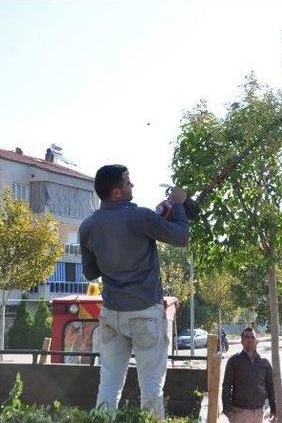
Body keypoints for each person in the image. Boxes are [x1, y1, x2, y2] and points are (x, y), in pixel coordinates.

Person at [79, 164, 189, 418]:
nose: (132, 186)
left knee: (108, 387)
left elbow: (90, 273)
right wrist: (179, 205)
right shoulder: (141, 217)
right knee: (151, 388)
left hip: (112, 314)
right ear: (116, 192)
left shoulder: (87, 227)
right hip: (145, 314)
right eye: (128, 183)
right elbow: (181, 237)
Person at [222, 327, 276, 422]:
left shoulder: (264, 362)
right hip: (239, 412)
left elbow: (270, 386)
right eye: (246, 337)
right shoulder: (234, 361)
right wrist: (227, 408)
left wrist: (273, 407)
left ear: (256, 341)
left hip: (259, 412)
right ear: (242, 341)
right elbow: (226, 385)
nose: (250, 340)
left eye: (252, 337)